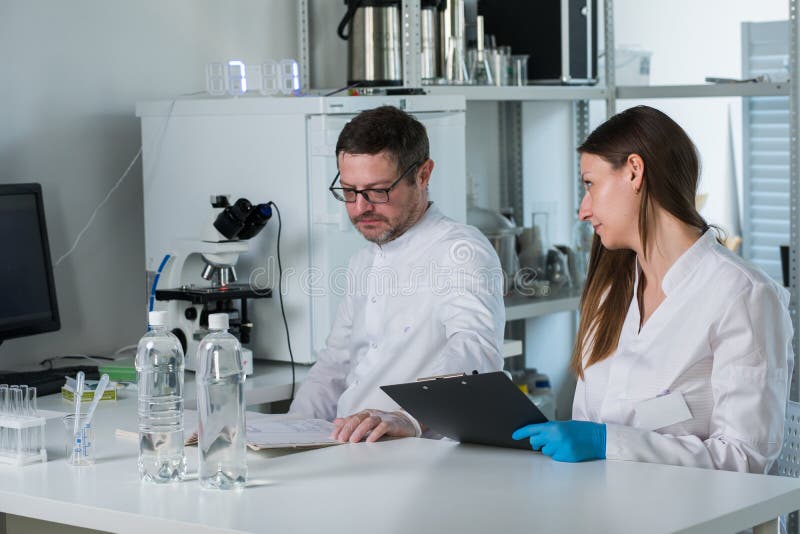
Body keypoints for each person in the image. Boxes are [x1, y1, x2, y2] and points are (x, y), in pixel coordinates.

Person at [513, 105, 794, 473]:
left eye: (589, 184)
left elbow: (746, 458)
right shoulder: (610, 291)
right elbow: (584, 426)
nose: (583, 210)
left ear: (634, 171)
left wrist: (607, 442)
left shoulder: (743, 295)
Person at [289, 105, 505, 442]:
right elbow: (334, 366)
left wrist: (409, 417)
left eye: (378, 191)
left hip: (417, 453)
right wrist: (288, 430)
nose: (361, 208)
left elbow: (475, 349)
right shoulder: (363, 261)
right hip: (350, 445)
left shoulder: (460, 250)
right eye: (349, 192)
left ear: (423, 175)